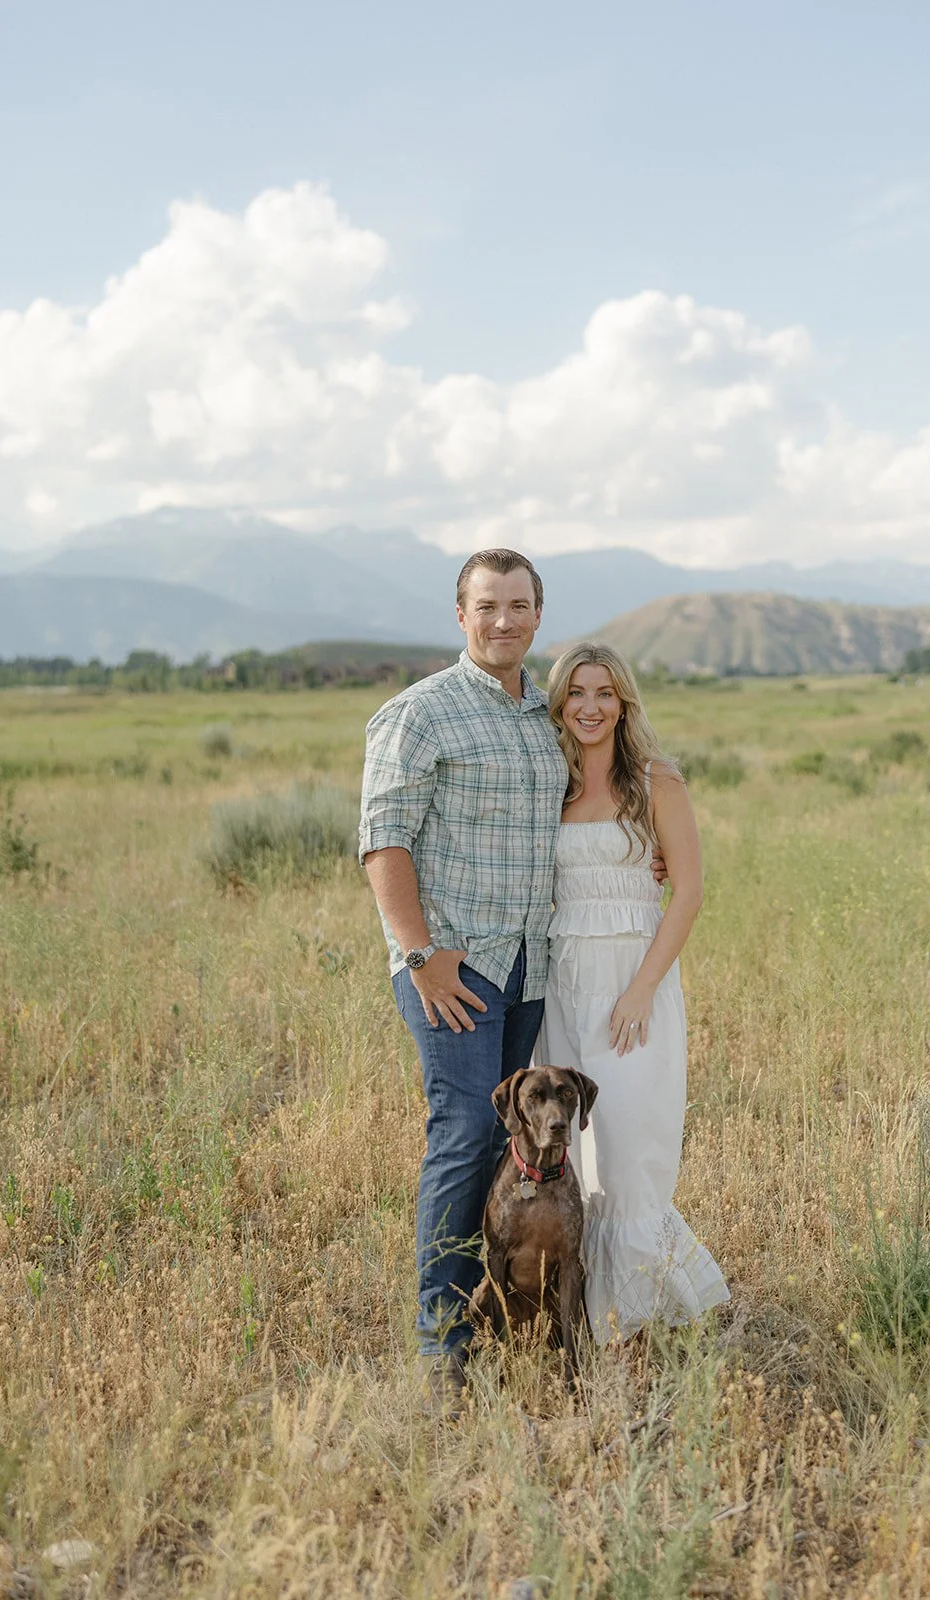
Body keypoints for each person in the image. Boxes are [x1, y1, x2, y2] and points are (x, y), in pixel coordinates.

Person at [358, 549, 568, 1409]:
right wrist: (418, 951)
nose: (503, 621)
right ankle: (441, 1348)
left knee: (512, 1150)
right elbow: (383, 839)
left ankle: (496, 1314)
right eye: (487, 606)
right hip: (452, 968)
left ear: (537, 615)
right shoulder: (419, 714)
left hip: (530, 963)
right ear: (460, 615)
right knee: (463, 1138)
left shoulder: (540, 716)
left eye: (518, 606)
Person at [538, 641, 730, 1343]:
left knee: (626, 1149)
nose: (590, 707)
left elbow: (689, 893)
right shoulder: (547, 784)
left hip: (632, 986)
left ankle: (631, 1324)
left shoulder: (656, 782)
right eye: (576, 693)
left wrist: (640, 991)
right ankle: (583, 1321)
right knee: (577, 1156)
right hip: (563, 985)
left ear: (623, 703)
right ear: (559, 704)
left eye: (604, 693)